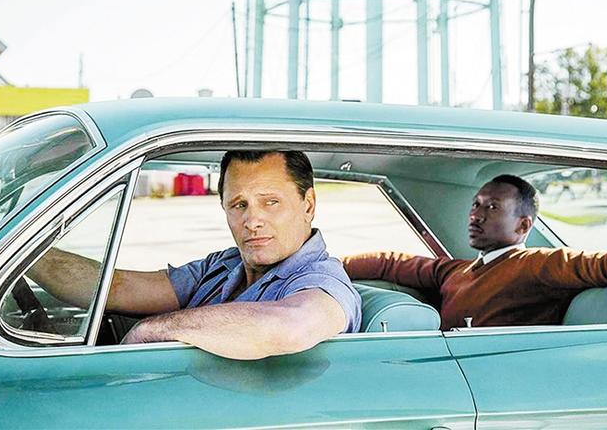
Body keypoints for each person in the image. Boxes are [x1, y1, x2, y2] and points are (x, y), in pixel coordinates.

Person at [29, 150, 361, 358]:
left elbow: (291, 326)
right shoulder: (224, 265)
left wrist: (153, 330)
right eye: (239, 205)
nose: (252, 220)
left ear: (308, 205)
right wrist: (31, 256)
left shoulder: (322, 280)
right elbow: (116, 288)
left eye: (270, 202)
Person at [342, 174, 607, 329]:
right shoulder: (455, 271)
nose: (475, 215)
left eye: (492, 207)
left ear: (523, 225)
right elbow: (391, 263)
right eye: (475, 204)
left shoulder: (536, 264)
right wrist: (329, 266)